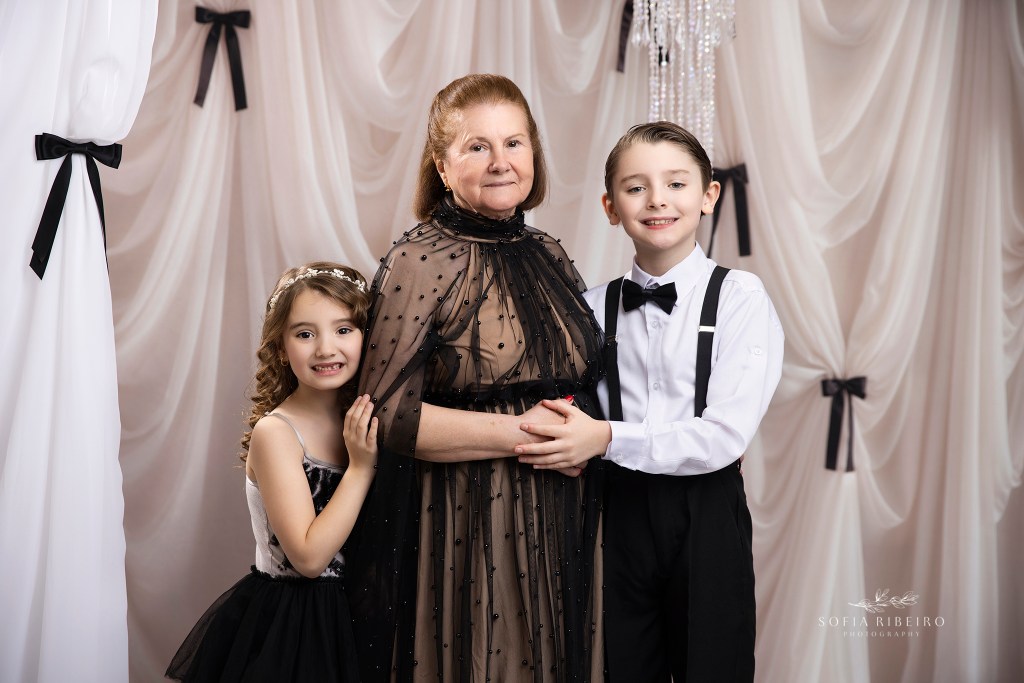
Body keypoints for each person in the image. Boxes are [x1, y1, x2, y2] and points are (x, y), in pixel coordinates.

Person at [346, 74, 605, 682]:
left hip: (564, 510)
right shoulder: (420, 260)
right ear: (441, 165)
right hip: (470, 519)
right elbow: (386, 419)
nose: (501, 162)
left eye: (514, 143)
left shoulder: (549, 253)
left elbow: (582, 376)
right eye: (477, 146)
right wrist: (529, 434)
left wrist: (583, 436)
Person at [515, 121, 784, 682]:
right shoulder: (587, 307)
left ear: (709, 196)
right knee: (618, 665)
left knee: (711, 665)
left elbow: (724, 436)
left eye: (677, 184)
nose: (657, 199)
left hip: (706, 510)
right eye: (636, 187)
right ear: (611, 207)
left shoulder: (740, 298)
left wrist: (607, 437)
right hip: (616, 512)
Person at [166, 261, 377, 682]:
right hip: (296, 625)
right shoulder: (277, 433)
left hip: (364, 615)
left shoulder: (365, 418)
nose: (325, 348)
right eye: (304, 334)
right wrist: (360, 468)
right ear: (281, 348)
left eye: (343, 329)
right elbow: (309, 558)